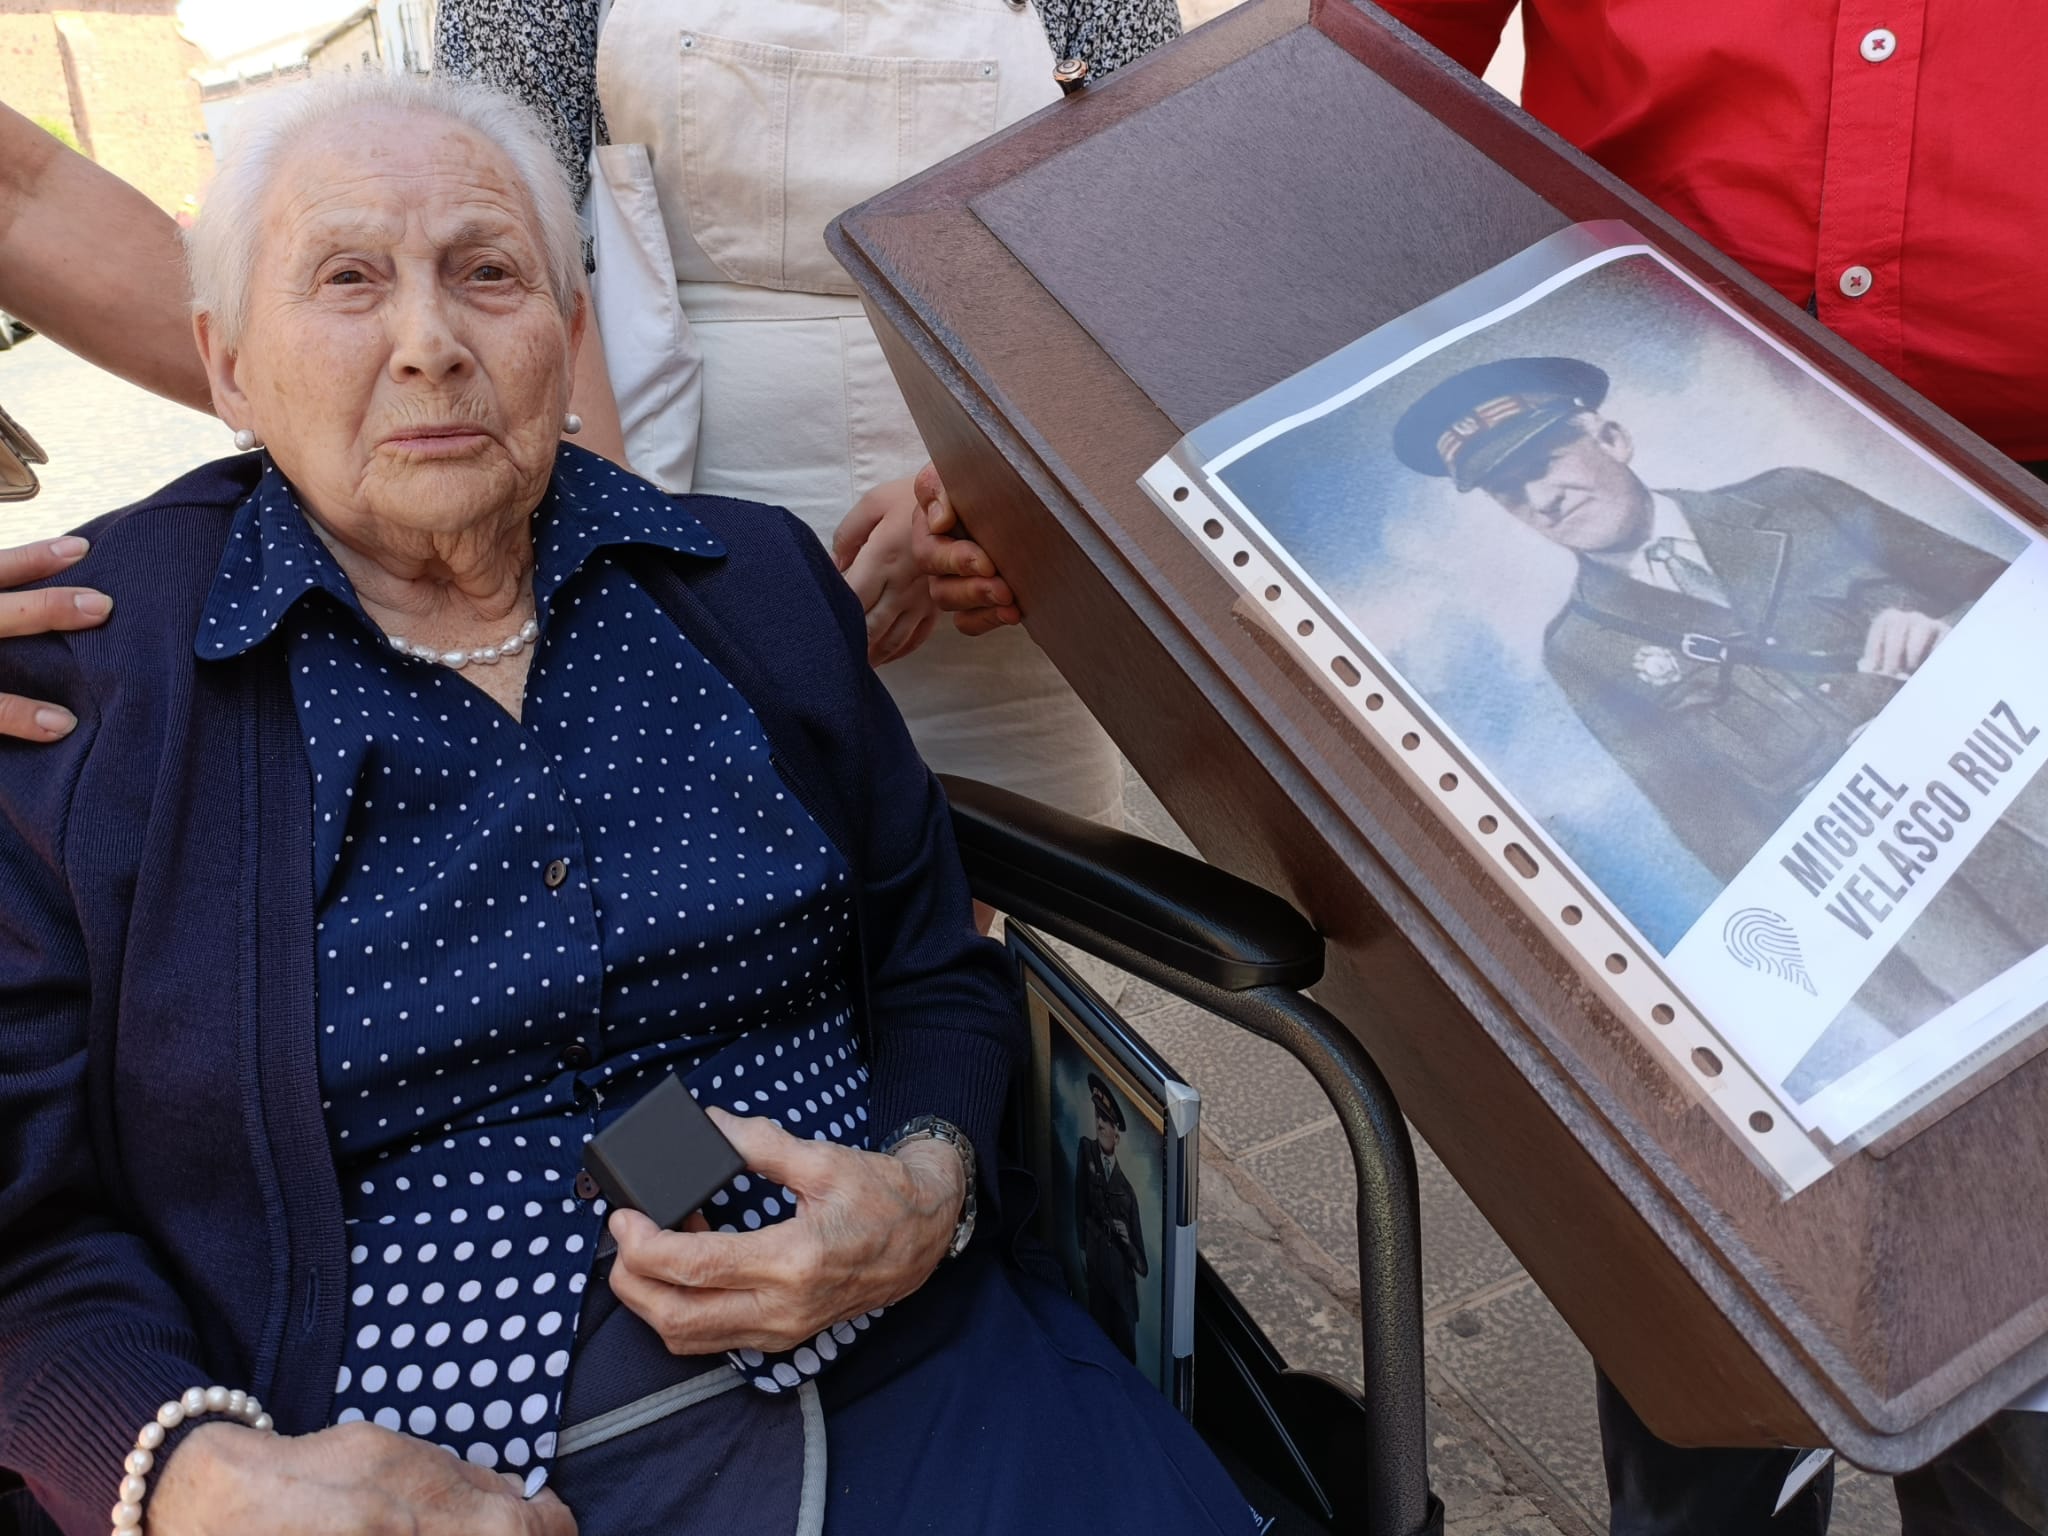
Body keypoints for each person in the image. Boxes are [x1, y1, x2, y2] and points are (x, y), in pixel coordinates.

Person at [0, 74, 1258, 1536]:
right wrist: (198, 1480)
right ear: (226, 365)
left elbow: (932, 975)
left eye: (490, 274)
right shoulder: (87, 681)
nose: (430, 345)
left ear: (570, 334)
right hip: (390, 1463)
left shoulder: (753, 591)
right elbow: (26, 1233)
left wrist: (926, 1184)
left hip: (904, 1354)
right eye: (348, 280)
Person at [1395, 355, 2048, 1531]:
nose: (1540, 498)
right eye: (1506, 492)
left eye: (1543, 458)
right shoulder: (1585, 648)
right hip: (1910, 946)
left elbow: (2013, 596)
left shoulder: (1794, 497)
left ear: (1608, 433)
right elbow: (1716, 839)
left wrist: (1937, 623)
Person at [435, 0, 1179, 826]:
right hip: (676, 569)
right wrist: (621, 576)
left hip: (1000, 583)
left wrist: (973, 495)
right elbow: (504, 257)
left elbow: (1150, 227)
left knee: (1023, 920)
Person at [1074, 1073, 1148, 1363]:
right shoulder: (1086, 1150)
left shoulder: (1128, 1192)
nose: (1099, 1123)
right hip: (1098, 1280)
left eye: (1105, 1120)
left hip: (1123, 1297)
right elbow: (1078, 1204)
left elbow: (1142, 1266)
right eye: (1097, 1116)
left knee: (1125, 1363)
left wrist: (1127, 1241)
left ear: (1117, 1135)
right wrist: (1082, 1249)